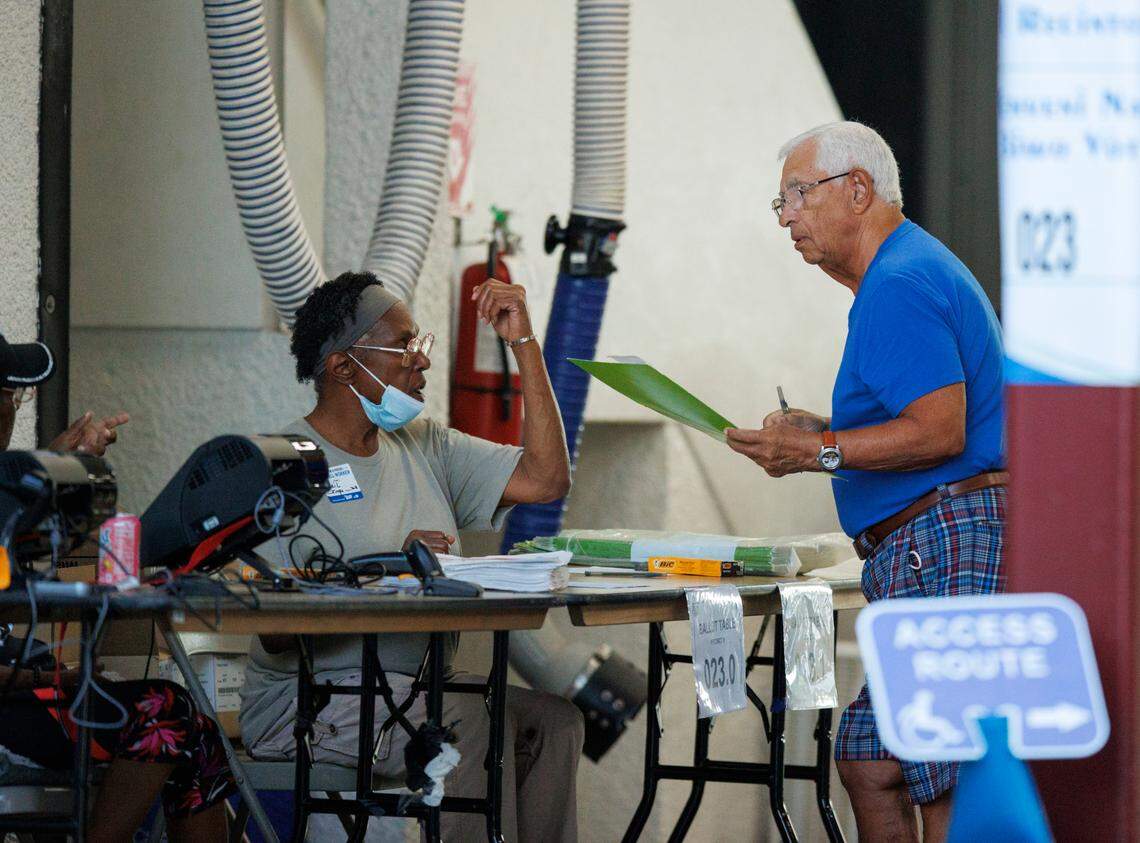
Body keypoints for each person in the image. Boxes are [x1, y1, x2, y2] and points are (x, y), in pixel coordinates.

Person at [724, 122, 1005, 842]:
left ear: (858, 190)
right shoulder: (903, 273)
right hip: (930, 541)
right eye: (779, 200)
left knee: (939, 772)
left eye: (798, 193)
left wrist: (813, 450)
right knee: (870, 757)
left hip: (945, 538)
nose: (786, 216)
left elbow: (940, 431)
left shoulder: (899, 283)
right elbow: (914, 419)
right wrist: (821, 429)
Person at [240, 271, 583, 841]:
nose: (421, 360)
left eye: (418, 343)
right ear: (343, 366)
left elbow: (547, 479)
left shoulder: (424, 445)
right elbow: (275, 629)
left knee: (555, 722)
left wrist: (524, 345)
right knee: (469, 719)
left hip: (418, 689)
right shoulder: (285, 464)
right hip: (311, 702)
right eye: (404, 346)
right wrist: (387, 567)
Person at [0, 332, 235, 840]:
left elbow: (18, 553)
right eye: (10, 396)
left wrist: (61, 467)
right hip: (11, 700)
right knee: (167, 716)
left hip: (24, 689)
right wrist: (60, 679)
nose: (12, 410)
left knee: (195, 731)